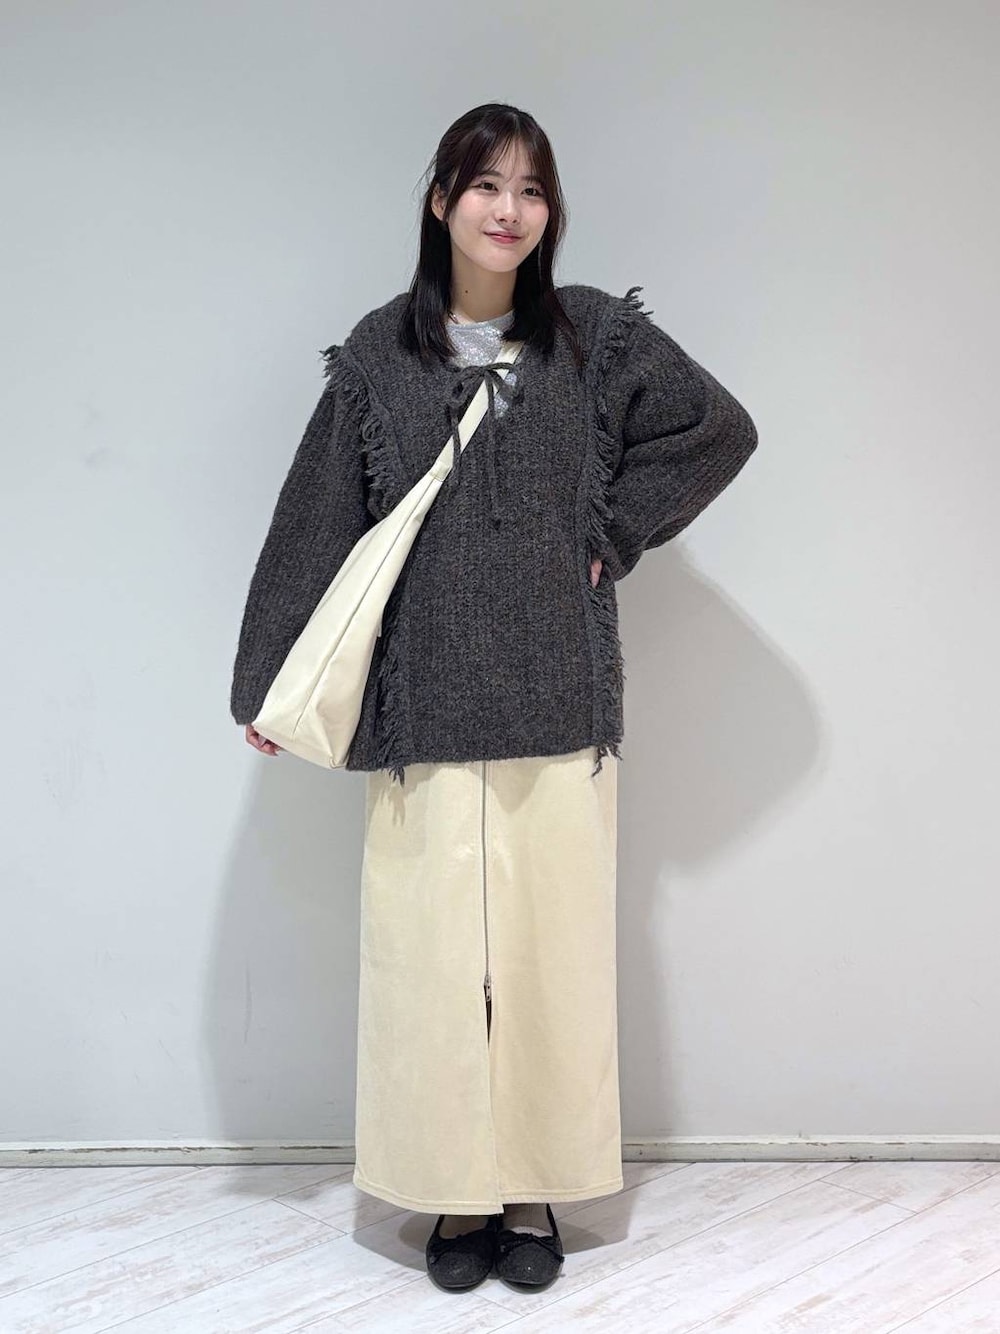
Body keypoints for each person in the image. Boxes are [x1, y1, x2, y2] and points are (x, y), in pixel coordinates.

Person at [229, 102, 758, 1293]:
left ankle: (531, 1190)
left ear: (548, 210)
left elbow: (716, 430)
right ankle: (452, 1191)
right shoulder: (380, 354)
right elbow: (320, 515)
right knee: (425, 968)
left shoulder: (595, 339)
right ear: (441, 201)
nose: (508, 209)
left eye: (530, 188)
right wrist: (264, 680)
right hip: (420, 702)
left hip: (559, 694)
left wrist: (610, 534)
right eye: (485, 185)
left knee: (548, 963)